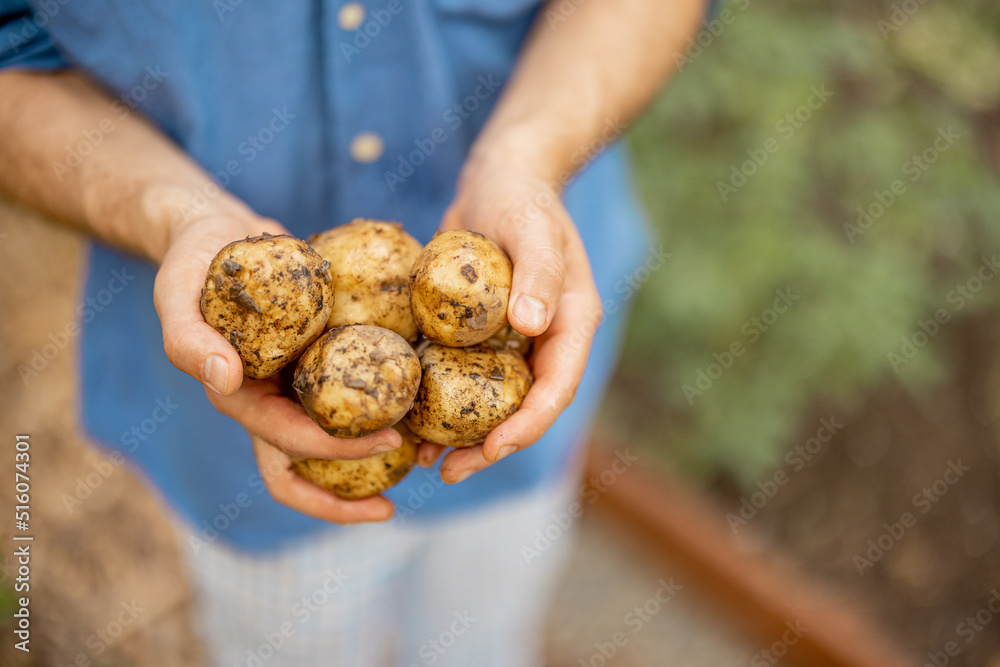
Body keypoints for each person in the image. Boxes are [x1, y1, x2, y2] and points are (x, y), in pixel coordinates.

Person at [0, 0, 705, 664]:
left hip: (524, 395)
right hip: (241, 449)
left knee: (484, 638)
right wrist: (174, 215)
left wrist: (529, 157)